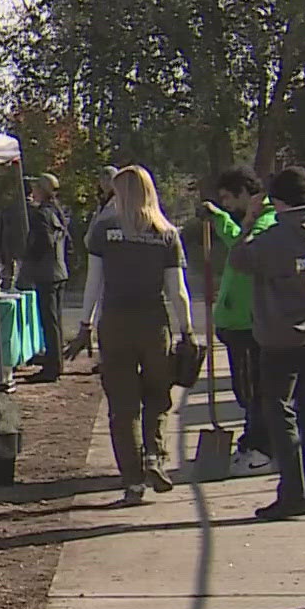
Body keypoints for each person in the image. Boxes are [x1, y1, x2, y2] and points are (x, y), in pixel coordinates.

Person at [68, 166, 195, 506]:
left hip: (115, 323)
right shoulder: (166, 233)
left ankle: (132, 482)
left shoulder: (104, 230)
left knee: (122, 407)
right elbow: (177, 290)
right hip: (154, 324)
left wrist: (85, 325)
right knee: (157, 394)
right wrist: (187, 329)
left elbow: (93, 282)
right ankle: (155, 454)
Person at [229, 166, 305, 520]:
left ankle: (291, 491)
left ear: (277, 201)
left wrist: (249, 221)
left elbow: (238, 259)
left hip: (280, 335)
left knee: (280, 411)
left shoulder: (275, 238)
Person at [200, 167, 276, 475]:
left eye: (229, 198)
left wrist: (221, 219)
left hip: (249, 323)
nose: (228, 205)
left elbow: (242, 248)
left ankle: (261, 448)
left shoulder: (266, 222)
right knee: (246, 389)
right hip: (237, 322)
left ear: (246, 193)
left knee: (252, 391)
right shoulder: (253, 221)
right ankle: (252, 441)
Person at [22, 173, 70, 381]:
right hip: (59, 270)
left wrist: (29, 255)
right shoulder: (58, 212)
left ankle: (52, 368)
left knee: (48, 321)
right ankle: (56, 362)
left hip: (47, 272)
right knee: (55, 320)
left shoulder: (42, 214)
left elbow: (44, 241)